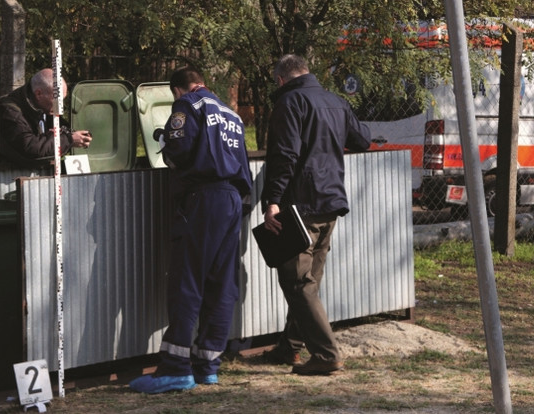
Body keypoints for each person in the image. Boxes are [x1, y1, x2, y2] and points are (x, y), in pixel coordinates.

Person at [129, 67, 253, 393]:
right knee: (221, 284)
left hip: (202, 200)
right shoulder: (232, 114)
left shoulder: (188, 105)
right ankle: (207, 366)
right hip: (232, 200)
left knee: (188, 280)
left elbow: (180, 149)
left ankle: (174, 369)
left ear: (178, 89)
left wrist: (168, 146)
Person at [260, 54, 371, 375]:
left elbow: (285, 155)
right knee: (310, 281)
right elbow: (362, 140)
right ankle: (289, 348)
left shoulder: (289, 104)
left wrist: (273, 200)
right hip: (331, 202)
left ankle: (326, 355)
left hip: (300, 206)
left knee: (297, 282)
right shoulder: (335, 101)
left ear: (281, 79)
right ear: (307, 72)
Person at [0, 68, 92, 167]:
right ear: (38, 94)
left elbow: (59, 131)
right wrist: (68, 140)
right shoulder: (10, 112)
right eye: (57, 100)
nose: (60, 105)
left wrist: (66, 135)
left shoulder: (43, 107)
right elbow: (32, 148)